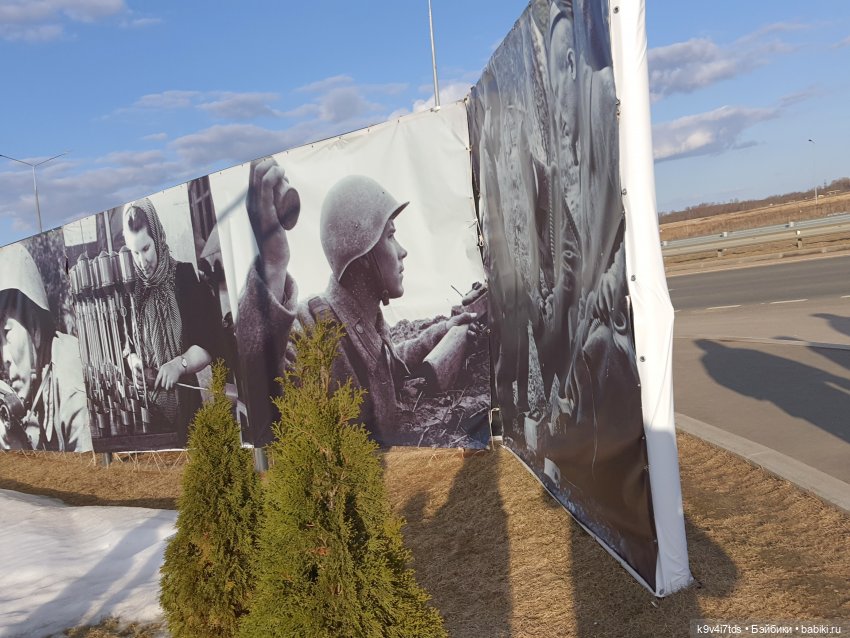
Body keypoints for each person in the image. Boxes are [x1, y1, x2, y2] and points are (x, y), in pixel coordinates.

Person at [237, 162, 477, 446]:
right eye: (390, 235)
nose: (402, 251)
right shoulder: (311, 329)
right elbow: (260, 383)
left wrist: (443, 330)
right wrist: (273, 263)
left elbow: (389, 364)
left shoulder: (366, 320)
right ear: (362, 254)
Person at [122, 198, 218, 446]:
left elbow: (208, 344)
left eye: (146, 249)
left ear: (158, 237)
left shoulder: (185, 277)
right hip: (147, 410)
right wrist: (134, 363)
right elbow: (127, 347)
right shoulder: (132, 292)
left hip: (185, 407)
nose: (142, 262)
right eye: (135, 252)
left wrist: (179, 364)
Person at [0, 242, 92, 452]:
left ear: (35, 328)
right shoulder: (41, 376)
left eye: (7, 333)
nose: (4, 356)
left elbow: (95, 478)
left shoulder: (72, 380)